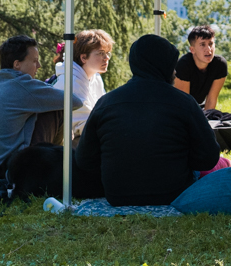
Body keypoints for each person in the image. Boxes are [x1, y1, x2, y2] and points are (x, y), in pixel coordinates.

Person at [75, 34, 222, 206]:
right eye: (172, 65)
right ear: (164, 65)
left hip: (118, 194)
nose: (175, 72)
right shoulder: (183, 102)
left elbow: (84, 159)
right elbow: (209, 157)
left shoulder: (106, 103)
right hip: (174, 193)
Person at [0, 35, 81, 210]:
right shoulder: (23, 85)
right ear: (17, 64)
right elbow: (75, 101)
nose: (38, 66)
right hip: (6, 171)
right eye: (34, 61)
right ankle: (52, 163)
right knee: (57, 109)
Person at [50, 29, 113, 141]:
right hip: (67, 149)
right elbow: (88, 125)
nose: (107, 58)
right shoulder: (71, 83)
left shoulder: (95, 77)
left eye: (107, 53)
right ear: (83, 57)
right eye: (100, 53)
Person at [174, 25, 228, 114]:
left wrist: (206, 121)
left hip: (197, 106)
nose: (208, 49)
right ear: (192, 50)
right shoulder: (183, 65)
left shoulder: (220, 64)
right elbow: (184, 103)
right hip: (174, 107)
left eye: (211, 44)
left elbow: (211, 99)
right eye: (202, 44)